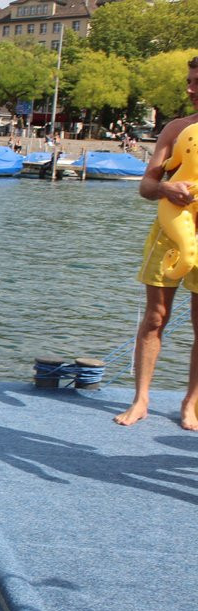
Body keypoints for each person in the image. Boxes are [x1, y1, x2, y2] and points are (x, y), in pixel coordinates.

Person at [114, 56, 198, 431]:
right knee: (155, 318)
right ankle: (141, 398)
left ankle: (191, 403)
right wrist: (165, 186)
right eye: (189, 81)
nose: (190, 89)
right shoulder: (176, 129)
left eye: (197, 83)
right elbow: (146, 187)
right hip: (169, 233)